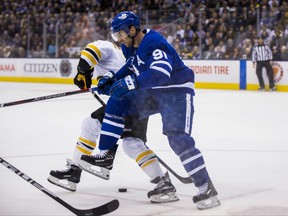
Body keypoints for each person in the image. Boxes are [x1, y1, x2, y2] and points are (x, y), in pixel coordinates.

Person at [79, 11, 220, 210]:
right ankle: (106, 155)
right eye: (115, 36)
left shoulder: (154, 43)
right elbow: (131, 66)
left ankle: (205, 187)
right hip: (152, 94)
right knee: (117, 100)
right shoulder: (130, 47)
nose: (118, 40)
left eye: (120, 34)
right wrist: (112, 78)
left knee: (177, 138)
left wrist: (129, 83)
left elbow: (160, 73)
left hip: (175, 92)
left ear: (132, 29)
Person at [48, 40, 179, 203]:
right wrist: (89, 75)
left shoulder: (106, 46)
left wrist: (82, 71)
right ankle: (162, 182)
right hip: (137, 100)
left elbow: (89, 52)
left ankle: (83, 167)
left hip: (129, 100)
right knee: (132, 142)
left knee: (92, 124)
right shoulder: (123, 54)